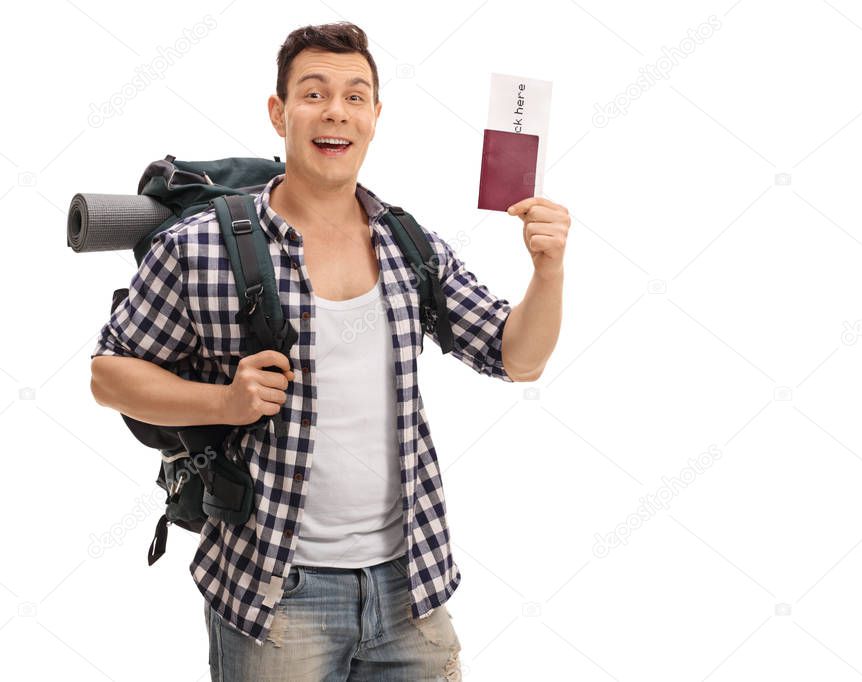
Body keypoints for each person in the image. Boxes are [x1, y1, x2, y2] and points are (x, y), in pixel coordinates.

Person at [90, 20, 570, 682]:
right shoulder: (199, 246)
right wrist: (221, 401)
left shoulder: (407, 244)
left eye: (354, 95)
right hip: (274, 594)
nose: (334, 110)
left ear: (374, 116)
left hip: (411, 588)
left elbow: (518, 358)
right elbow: (109, 374)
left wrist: (547, 269)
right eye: (313, 93)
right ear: (279, 112)